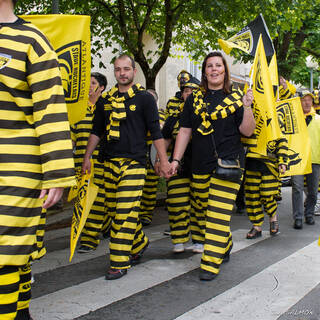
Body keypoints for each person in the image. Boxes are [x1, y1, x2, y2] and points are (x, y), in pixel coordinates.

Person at [0, 0, 76, 319]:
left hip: (19, 166)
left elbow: (51, 108)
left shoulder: (32, 40)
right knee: (15, 252)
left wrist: (57, 173)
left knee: (6, 251)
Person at [82, 54, 170, 280]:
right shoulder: (105, 100)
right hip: (108, 161)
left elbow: (156, 132)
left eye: (126, 69)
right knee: (114, 213)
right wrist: (87, 156)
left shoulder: (144, 99)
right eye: (118, 69)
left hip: (134, 164)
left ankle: (118, 262)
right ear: (115, 72)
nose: (122, 73)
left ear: (133, 71)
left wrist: (163, 160)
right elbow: (96, 131)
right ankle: (139, 242)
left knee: (124, 213)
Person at [169, 51, 255, 281]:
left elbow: (247, 131)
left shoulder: (237, 98)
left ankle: (210, 262)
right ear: (204, 71)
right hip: (199, 164)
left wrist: (247, 106)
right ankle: (224, 243)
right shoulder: (194, 99)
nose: (214, 69)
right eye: (209, 66)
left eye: (218, 65)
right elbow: (185, 131)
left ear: (225, 70)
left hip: (229, 163)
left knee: (217, 215)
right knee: (207, 213)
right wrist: (175, 160)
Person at [156, 76, 200, 253]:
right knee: (176, 203)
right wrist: (160, 160)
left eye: (193, 91)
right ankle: (179, 239)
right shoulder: (174, 119)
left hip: (200, 166)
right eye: (186, 91)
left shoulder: (207, 115)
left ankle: (199, 240)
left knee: (200, 204)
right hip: (177, 167)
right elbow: (165, 140)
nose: (188, 94)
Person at [71, 72, 112, 253]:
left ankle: (89, 239)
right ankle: (104, 226)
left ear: (101, 88)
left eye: (93, 83)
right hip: (80, 163)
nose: (88, 86)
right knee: (82, 200)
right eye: (87, 83)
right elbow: (71, 138)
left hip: (101, 163)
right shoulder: (78, 111)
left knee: (96, 200)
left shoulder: (106, 109)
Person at [292, 91, 320, 229]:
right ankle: (298, 217)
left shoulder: (318, 119)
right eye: (304, 100)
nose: (307, 102)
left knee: (313, 190)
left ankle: (309, 213)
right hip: (297, 159)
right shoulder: (294, 119)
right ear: (300, 102)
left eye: (309, 100)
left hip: (314, 158)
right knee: (297, 187)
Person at [139, 89, 166, 226]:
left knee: (150, 185)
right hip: (138, 151)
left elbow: (159, 129)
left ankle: (146, 214)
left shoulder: (160, 113)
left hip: (152, 151)